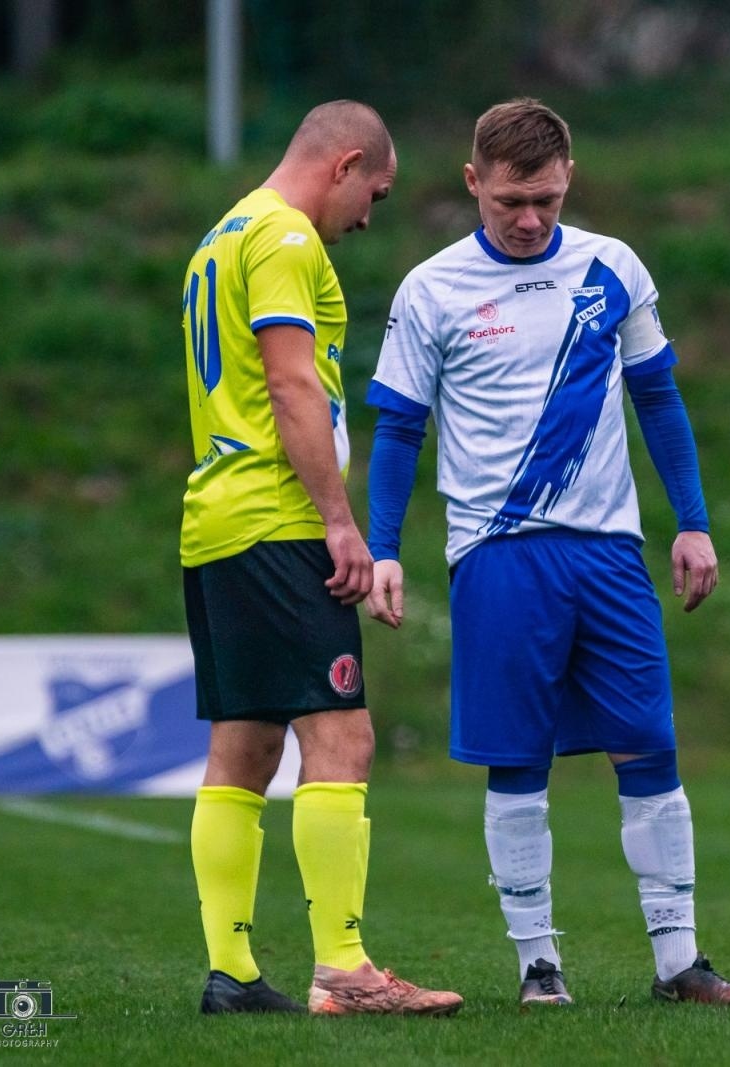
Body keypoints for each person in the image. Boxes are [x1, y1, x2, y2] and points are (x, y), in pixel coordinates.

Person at [363, 98, 730, 1009]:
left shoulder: (611, 268)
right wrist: (384, 548)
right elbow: (397, 429)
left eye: (545, 198)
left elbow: (659, 400)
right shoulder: (431, 289)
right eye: (510, 199)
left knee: (650, 746)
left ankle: (680, 964)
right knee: (518, 760)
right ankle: (537, 965)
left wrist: (694, 520)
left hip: (611, 556)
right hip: (497, 556)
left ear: (569, 180)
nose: (529, 218)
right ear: (474, 182)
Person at [179, 100, 461, 1016]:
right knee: (342, 734)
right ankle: (344, 968)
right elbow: (292, 380)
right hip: (277, 518)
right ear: (343, 164)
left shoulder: (219, 238)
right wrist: (341, 523)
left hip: (216, 521)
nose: (370, 216)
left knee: (246, 743)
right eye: (373, 192)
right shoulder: (286, 238)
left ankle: (234, 974)